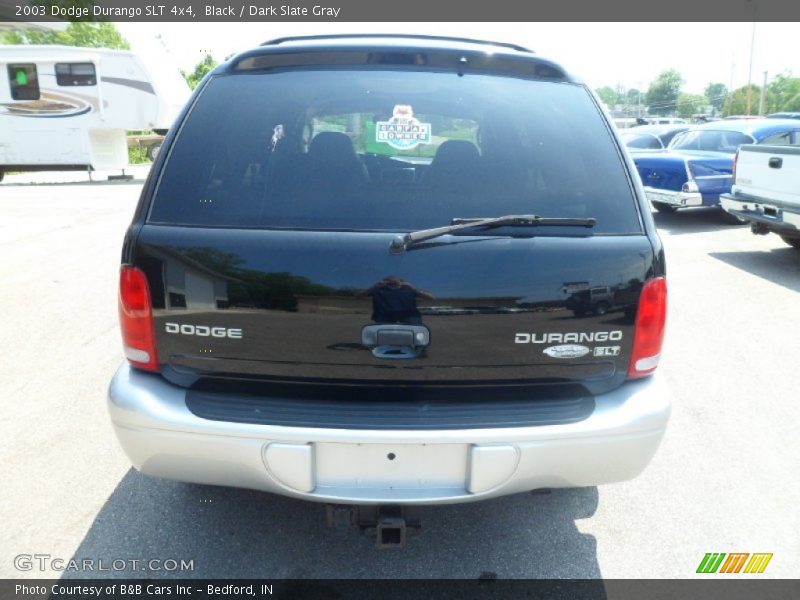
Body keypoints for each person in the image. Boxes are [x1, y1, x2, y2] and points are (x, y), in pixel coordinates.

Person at [358, 276, 434, 325]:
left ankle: (419, 345)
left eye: (396, 279)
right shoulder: (378, 289)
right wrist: (374, 286)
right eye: (389, 279)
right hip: (385, 316)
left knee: (416, 329)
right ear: (385, 281)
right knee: (382, 333)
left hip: (409, 315)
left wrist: (413, 288)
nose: (393, 281)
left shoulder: (408, 289)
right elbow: (359, 296)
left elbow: (431, 297)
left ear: (402, 281)